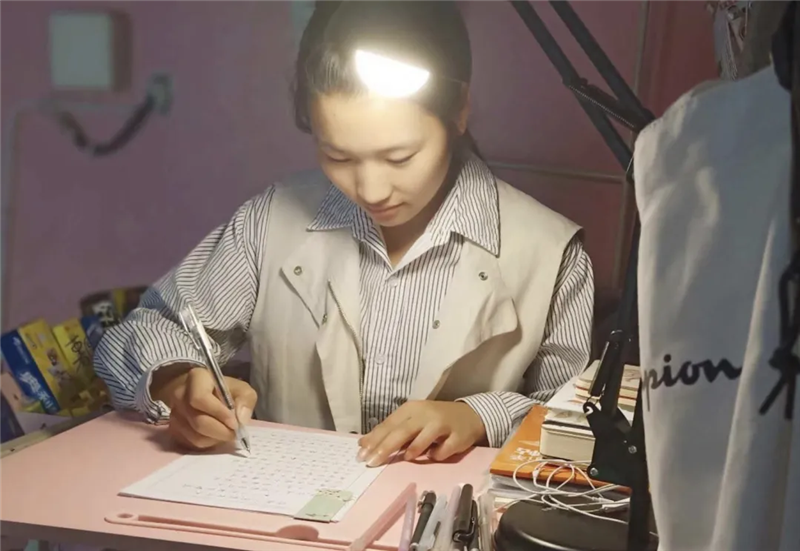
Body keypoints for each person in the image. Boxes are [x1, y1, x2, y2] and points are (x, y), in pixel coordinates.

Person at [93, 0, 594, 467]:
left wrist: (478, 416)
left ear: (459, 109)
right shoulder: (271, 219)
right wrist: (177, 381)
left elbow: (574, 420)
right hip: (284, 504)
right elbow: (140, 333)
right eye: (338, 156)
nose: (371, 190)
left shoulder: (550, 251)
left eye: (400, 157)